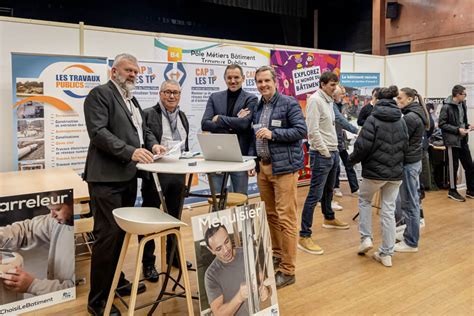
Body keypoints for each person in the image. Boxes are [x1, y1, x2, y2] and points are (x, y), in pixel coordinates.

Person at [83, 53, 166, 315]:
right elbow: (98, 133)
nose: (133, 75)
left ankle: (116, 284)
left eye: (136, 72)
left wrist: (152, 144)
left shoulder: (131, 99)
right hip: (106, 180)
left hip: (128, 178)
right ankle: (97, 302)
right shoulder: (100, 94)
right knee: (107, 239)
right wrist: (130, 151)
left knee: (120, 236)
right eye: (128, 70)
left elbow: (143, 131)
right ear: (114, 71)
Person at [248, 66, 307, 288]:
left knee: (286, 219)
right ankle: (276, 255)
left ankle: (289, 271)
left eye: (266, 81)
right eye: (259, 81)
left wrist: (274, 134)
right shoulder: (257, 105)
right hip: (263, 169)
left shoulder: (288, 103)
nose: (262, 85)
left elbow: (301, 131)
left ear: (276, 82)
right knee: (271, 216)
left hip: (284, 170)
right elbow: (253, 134)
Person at [349, 86, 408, 267]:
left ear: (377, 99)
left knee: (365, 199)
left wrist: (350, 161)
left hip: (375, 172)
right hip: (395, 173)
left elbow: (362, 147)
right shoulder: (401, 119)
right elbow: (405, 146)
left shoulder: (373, 119)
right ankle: (387, 253)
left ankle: (366, 237)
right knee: (388, 211)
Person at [140, 79, 190, 282]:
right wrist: (154, 147)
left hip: (177, 174)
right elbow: (146, 136)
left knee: (174, 218)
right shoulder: (149, 114)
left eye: (176, 93)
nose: (172, 96)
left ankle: (173, 258)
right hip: (155, 174)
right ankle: (148, 263)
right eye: (168, 92)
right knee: (150, 221)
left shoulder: (183, 116)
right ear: (160, 93)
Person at [299, 72, 350, 257]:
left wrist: (332, 151)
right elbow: (312, 131)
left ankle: (329, 218)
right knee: (314, 195)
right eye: (331, 85)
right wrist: (325, 151)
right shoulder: (315, 100)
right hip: (322, 153)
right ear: (322, 84)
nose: (334, 88)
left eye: (336, 84)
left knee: (329, 190)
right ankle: (304, 235)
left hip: (332, 151)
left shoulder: (328, 100)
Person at [0, 192, 74, 296]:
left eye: (57, 209)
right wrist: (1, 236)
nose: (52, 215)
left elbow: (74, 288)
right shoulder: (55, 222)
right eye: (50, 209)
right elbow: (27, 229)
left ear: (74, 204)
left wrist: (32, 285)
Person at [201, 64, 258, 195]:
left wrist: (220, 118)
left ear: (243, 78)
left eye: (236, 77)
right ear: (225, 79)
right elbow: (205, 124)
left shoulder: (251, 98)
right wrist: (234, 122)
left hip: (240, 155)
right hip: (218, 153)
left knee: (239, 197)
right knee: (216, 197)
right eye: (229, 77)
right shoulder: (214, 97)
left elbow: (244, 124)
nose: (233, 81)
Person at [204, 224, 270, 316]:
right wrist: (239, 297)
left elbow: (263, 281)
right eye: (219, 248)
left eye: (226, 241)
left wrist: (266, 290)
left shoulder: (249, 253)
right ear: (211, 250)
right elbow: (218, 313)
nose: (226, 250)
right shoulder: (211, 275)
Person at [394, 87, 430, 253]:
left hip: (409, 163)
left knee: (409, 203)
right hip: (413, 161)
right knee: (411, 201)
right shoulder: (418, 113)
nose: (397, 100)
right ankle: (410, 234)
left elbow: (401, 141)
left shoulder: (410, 117)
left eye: (400, 98)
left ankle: (411, 242)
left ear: (409, 99)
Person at [438, 84, 474, 202]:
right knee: (453, 167)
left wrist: (468, 126)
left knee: (469, 165)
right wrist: (458, 130)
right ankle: (452, 191)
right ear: (457, 95)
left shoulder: (462, 104)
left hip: (463, 140)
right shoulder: (446, 107)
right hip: (452, 141)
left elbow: (462, 121)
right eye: (464, 94)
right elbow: (442, 124)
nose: (465, 96)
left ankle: (470, 190)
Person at [333, 85, 360, 197]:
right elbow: (340, 120)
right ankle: (336, 187)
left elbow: (344, 120)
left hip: (341, 140)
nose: (343, 95)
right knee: (336, 167)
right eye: (341, 93)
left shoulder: (342, 105)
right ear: (335, 95)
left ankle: (355, 188)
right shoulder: (332, 106)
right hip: (333, 141)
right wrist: (356, 130)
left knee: (349, 163)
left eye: (344, 93)